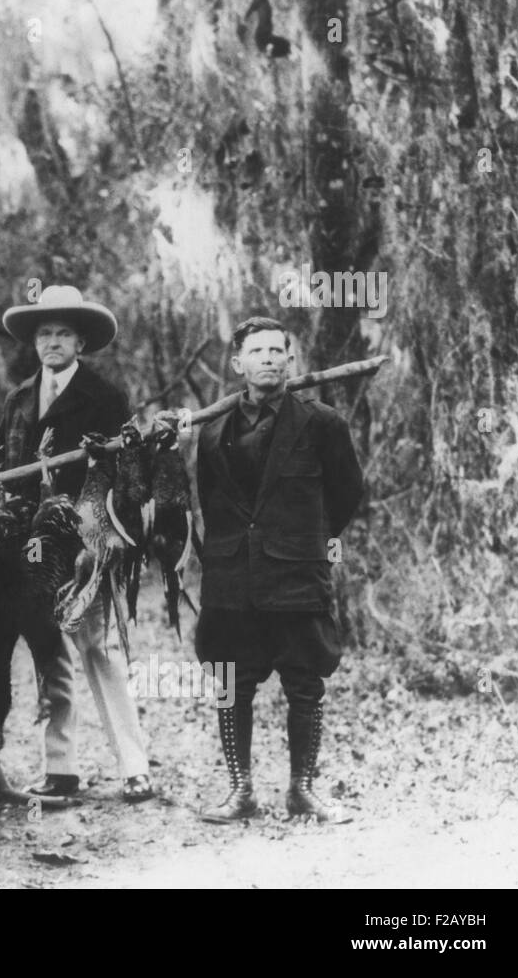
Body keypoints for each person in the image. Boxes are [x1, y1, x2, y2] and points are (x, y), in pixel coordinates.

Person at [194, 317, 363, 823]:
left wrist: (301, 541)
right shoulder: (212, 431)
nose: (268, 358)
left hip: (296, 577)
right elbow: (212, 503)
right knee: (230, 681)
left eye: (277, 350)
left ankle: (302, 790)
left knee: (305, 681)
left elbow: (346, 494)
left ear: (290, 359)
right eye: (257, 351)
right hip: (231, 580)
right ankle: (240, 791)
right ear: (237, 363)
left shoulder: (322, 422)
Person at [0, 285, 155, 804]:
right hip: (29, 544)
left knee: (98, 646)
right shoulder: (18, 398)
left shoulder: (105, 398)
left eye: (63, 333)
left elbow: (125, 470)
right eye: (45, 333)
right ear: (34, 342)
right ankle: (60, 768)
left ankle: (134, 767)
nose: (53, 342)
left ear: (80, 342)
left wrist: (108, 533)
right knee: (48, 650)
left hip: (85, 539)